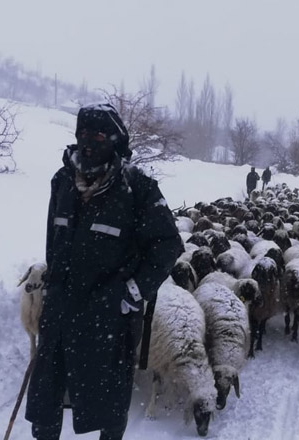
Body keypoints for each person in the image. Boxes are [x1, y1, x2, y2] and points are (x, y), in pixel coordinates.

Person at [26, 103, 181, 440]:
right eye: (83, 133)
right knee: (46, 398)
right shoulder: (63, 180)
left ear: (115, 139)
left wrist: (134, 291)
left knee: (109, 404)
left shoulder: (137, 186)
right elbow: (55, 239)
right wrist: (52, 286)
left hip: (109, 314)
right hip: (62, 309)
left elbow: (168, 244)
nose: (89, 141)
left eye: (98, 134)